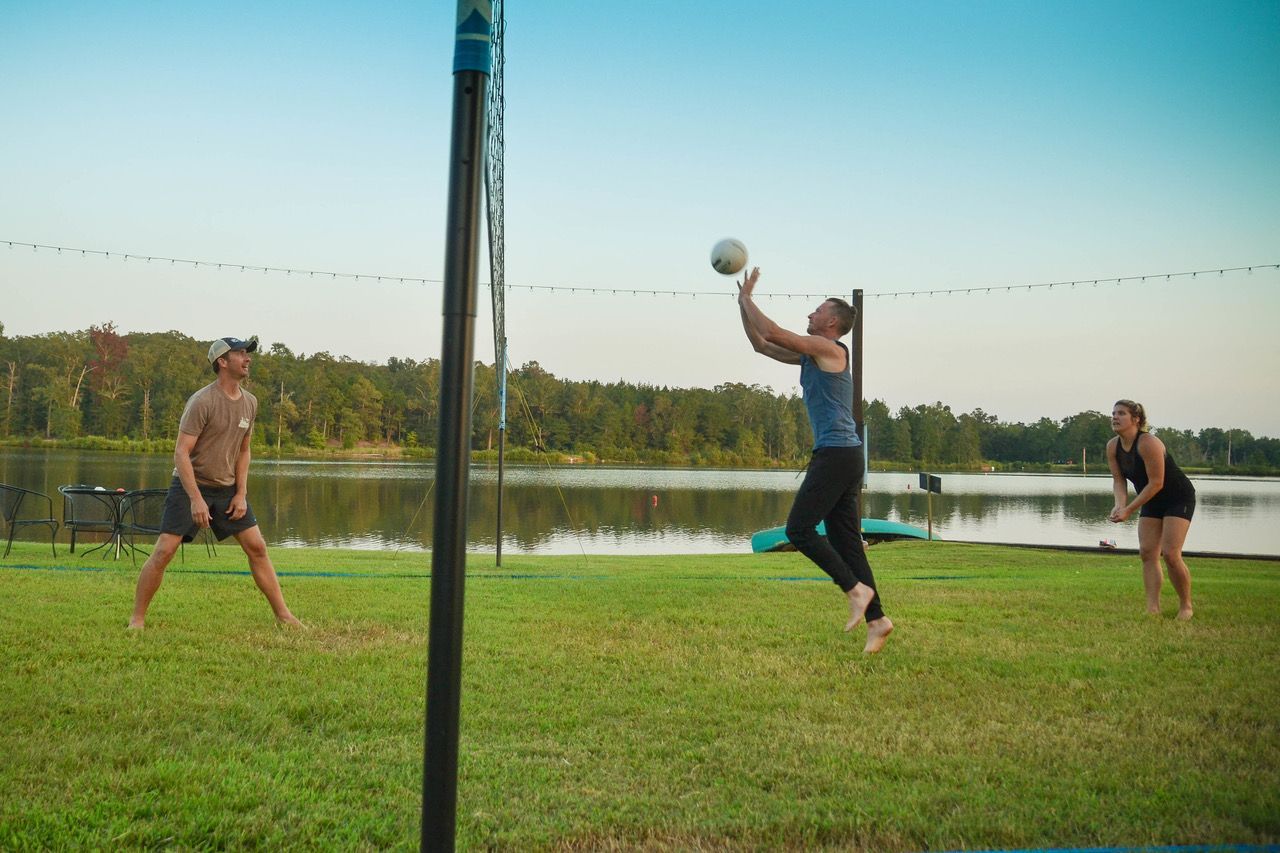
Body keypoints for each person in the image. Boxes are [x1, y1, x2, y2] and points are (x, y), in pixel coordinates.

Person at [737, 267, 892, 653]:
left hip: (837, 454)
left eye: (816, 311)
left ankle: (855, 591)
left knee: (800, 529)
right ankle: (878, 620)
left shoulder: (831, 350)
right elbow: (761, 343)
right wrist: (742, 304)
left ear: (833, 322)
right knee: (847, 543)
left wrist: (749, 298)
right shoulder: (811, 356)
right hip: (844, 454)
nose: (809, 315)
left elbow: (773, 331)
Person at [127, 336, 302, 629]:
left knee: (257, 547)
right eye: (241, 354)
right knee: (164, 550)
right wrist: (195, 498)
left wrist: (241, 493)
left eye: (248, 353)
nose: (248, 359)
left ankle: (284, 616)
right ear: (222, 362)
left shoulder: (250, 403)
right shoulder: (202, 401)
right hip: (190, 484)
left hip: (228, 489)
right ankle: (137, 618)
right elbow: (181, 453)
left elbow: (244, 451)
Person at [1106, 399, 1195, 620]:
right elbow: (1119, 480)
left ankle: (1186, 606)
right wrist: (1119, 505)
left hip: (1178, 497)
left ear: (1136, 419)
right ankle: (1153, 608)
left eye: (1121, 413)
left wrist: (1129, 510)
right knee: (1147, 552)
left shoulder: (1148, 443)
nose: (1115, 417)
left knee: (1171, 554)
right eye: (1114, 413)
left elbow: (1156, 482)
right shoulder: (1113, 446)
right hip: (1152, 499)